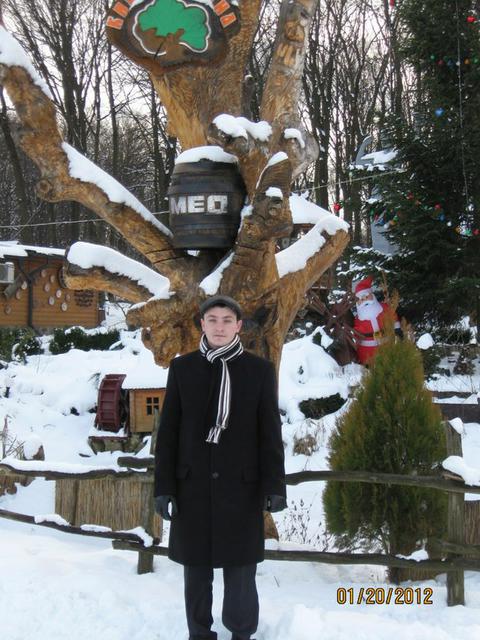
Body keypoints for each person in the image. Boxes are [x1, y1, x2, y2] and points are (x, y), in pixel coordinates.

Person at [154, 295, 287, 640]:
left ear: (238, 326)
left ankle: (241, 632)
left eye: (227, 320)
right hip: (192, 488)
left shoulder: (259, 371)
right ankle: (199, 633)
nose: (219, 327)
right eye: (212, 320)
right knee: (196, 573)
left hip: (241, 489)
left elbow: (270, 433)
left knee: (240, 573)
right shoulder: (182, 369)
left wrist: (274, 486)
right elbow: (168, 433)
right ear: (202, 324)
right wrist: (164, 488)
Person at [353, 276, 401, 365]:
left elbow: (393, 316)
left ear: (372, 296)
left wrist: (397, 329)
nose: (365, 301)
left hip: (386, 343)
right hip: (367, 351)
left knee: (389, 363)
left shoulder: (384, 308)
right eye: (362, 299)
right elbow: (355, 333)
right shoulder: (358, 319)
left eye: (367, 297)